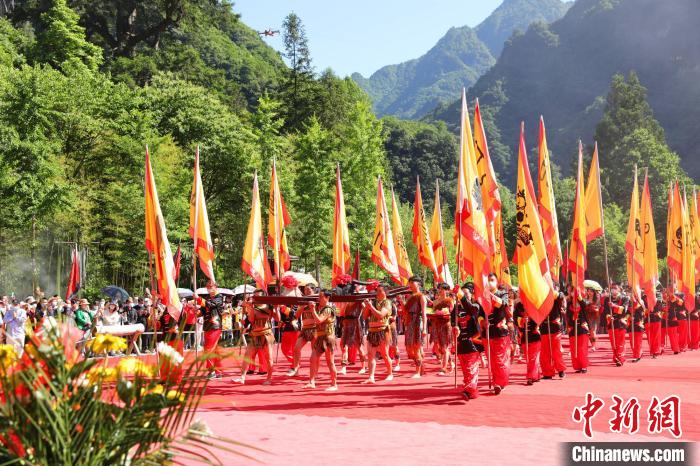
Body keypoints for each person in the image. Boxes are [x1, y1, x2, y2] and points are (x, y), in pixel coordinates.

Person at [234, 289, 280, 385]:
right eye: (254, 296)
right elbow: (251, 319)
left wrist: (276, 309)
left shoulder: (269, 306)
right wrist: (250, 308)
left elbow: (278, 319)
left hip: (266, 334)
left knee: (269, 358)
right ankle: (242, 377)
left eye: (258, 296)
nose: (255, 298)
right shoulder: (253, 307)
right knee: (247, 355)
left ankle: (269, 378)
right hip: (255, 335)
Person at [452, 283, 484, 400]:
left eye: (466, 294)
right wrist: (456, 329)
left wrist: (461, 295)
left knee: (471, 368)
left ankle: (469, 390)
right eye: (461, 294)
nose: (462, 297)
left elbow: (470, 309)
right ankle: (469, 388)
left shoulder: (476, 306)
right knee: (465, 369)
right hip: (461, 343)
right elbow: (454, 324)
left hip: (473, 342)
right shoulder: (455, 309)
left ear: (471, 295)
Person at [305, 289, 338, 391]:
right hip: (320, 337)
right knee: (313, 359)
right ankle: (311, 382)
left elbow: (318, 320)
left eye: (320, 297)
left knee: (330, 362)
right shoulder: (321, 308)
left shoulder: (328, 309)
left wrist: (312, 309)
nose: (318, 299)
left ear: (327, 298)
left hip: (328, 337)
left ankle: (334, 384)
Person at [361, 284, 394, 384]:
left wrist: (370, 306)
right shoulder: (373, 302)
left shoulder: (387, 303)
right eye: (377, 291)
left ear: (385, 292)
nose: (378, 293)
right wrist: (367, 307)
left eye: (380, 291)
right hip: (372, 330)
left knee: (384, 353)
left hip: (383, 330)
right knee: (371, 355)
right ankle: (371, 377)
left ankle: (390, 373)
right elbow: (364, 316)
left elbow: (380, 315)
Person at [485, 273, 512, 395]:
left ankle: (500, 383)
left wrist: (489, 295)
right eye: (487, 280)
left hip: (500, 331)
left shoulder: (502, 293)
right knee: (492, 361)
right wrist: (481, 321)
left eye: (492, 280)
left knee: (500, 359)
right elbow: (479, 312)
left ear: (496, 281)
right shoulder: (482, 296)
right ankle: (497, 381)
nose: (489, 282)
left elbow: (503, 304)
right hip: (487, 332)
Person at [288, 284, 316, 377]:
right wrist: (302, 306)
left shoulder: (318, 300)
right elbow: (296, 316)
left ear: (313, 290)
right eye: (305, 290)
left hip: (315, 328)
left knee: (314, 352)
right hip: (305, 329)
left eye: (308, 290)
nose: (306, 291)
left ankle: (314, 372)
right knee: (296, 349)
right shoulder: (302, 301)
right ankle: (296, 369)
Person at [403, 276, 428, 379]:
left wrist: (424, 328)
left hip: (418, 322)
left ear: (419, 284)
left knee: (416, 348)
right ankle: (422, 367)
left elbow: (424, 313)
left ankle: (417, 372)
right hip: (409, 323)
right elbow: (406, 310)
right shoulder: (410, 297)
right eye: (410, 283)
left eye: (412, 282)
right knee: (409, 349)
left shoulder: (421, 296)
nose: (410, 284)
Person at [540, 289, 567, 379]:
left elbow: (561, 296)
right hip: (544, 326)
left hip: (555, 327)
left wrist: (550, 292)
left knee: (557, 350)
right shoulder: (538, 294)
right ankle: (547, 372)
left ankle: (560, 369)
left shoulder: (556, 295)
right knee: (545, 352)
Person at [514, 300, 541, 385]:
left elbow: (540, 316)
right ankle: (536, 375)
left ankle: (531, 377)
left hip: (535, 335)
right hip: (524, 336)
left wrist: (537, 326)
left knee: (533, 357)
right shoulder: (518, 306)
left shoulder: (535, 304)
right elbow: (515, 318)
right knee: (529, 358)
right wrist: (522, 320)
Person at [201, 282, 225, 379]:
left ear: (216, 287)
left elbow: (211, 305)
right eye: (207, 287)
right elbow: (203, 311)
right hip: (207, 326)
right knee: (214, 350)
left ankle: (212, 371)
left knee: (208, 349)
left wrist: (199, 299)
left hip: (215, 326)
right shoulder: (207, 298)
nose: (209, 288)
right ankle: (218, 371)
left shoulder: (219, 297)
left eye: (211, 287)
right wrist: (196, 310)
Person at [339, 297, 367, 375]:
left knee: (359, 347)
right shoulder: (346, 302)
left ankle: (364, 367)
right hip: (346, 325)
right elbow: (341, 313)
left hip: (355, 325)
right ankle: (343, 368)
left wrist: (366, 303)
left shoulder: (359, 302)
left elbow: (366, 310)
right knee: (344, 347)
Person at [431, 283, 454, 376]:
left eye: (442, 289)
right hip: (437, 325)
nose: (440, 291)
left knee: (445, 347)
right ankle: (451, 363)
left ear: (447, 290)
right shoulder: (435, 301)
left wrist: (444, 312)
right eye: (439, 289)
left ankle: (443, 368)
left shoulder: (450, 300)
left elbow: (451, 312)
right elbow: (432, 312)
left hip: (446, 325)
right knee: (439, 347)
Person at [604, 285, 629, 366]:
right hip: (611, 323)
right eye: (612, 288)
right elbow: (605, 311)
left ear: (620, 289)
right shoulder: (608, 299)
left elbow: (624, 310)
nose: (614, 290)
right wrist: (608, 317)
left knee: (620, 342)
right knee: (613, 343)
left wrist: (614, 306)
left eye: (615, 288)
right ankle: (616, 357)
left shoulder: (624, 298)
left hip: (620, 322)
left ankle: (620, 359)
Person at [567, 289, 590, 374]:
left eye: (575, 291)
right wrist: (573, 316)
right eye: (572, 291)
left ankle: (584, 366)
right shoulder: (569, 303)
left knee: (582, 348)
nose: (574, 293)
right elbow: (568, 315)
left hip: (582, 327)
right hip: (573, 327)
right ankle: (577, 366)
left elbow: (585, 306)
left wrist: (579, 297)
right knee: (574, 348)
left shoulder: (583, 301)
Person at [647, 293, 664, 358]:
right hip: (648, 319)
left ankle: (656, 351)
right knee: (650, 336)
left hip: (656, 318)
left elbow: (660, 302)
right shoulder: (644, 296)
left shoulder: (658, 294)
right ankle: (653, 350)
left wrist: (653, 299)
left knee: (656, 335)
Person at [629, 298, 645, 362]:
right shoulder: (629, 302)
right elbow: (626, 312)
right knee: (632, 342)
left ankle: (637, 356)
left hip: (638, 324)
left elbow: (642, 313)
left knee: (637, 342)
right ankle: (639, 352)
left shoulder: (641, 302)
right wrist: (629, 317)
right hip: (631, 325)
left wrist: (635, 317)